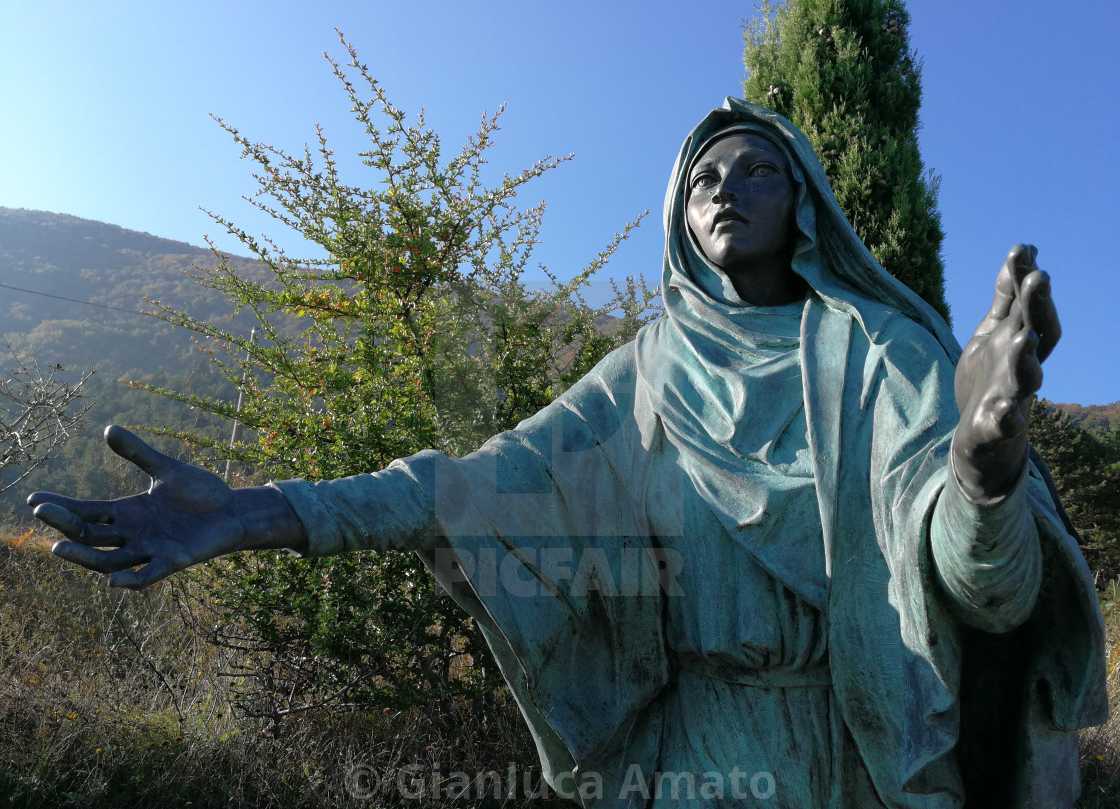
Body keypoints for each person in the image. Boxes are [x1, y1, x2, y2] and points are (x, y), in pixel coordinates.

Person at [30, 98, 1106, 808]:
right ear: (680, 223)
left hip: (854, 747)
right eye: (701, 181)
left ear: (805, 204)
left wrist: (981, 462)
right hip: (697, 751)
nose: (724, 190)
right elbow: (471, 488)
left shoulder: (884, 352)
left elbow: (983, 587)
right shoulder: (643, 372)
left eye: (755, 172)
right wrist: (260, 513)